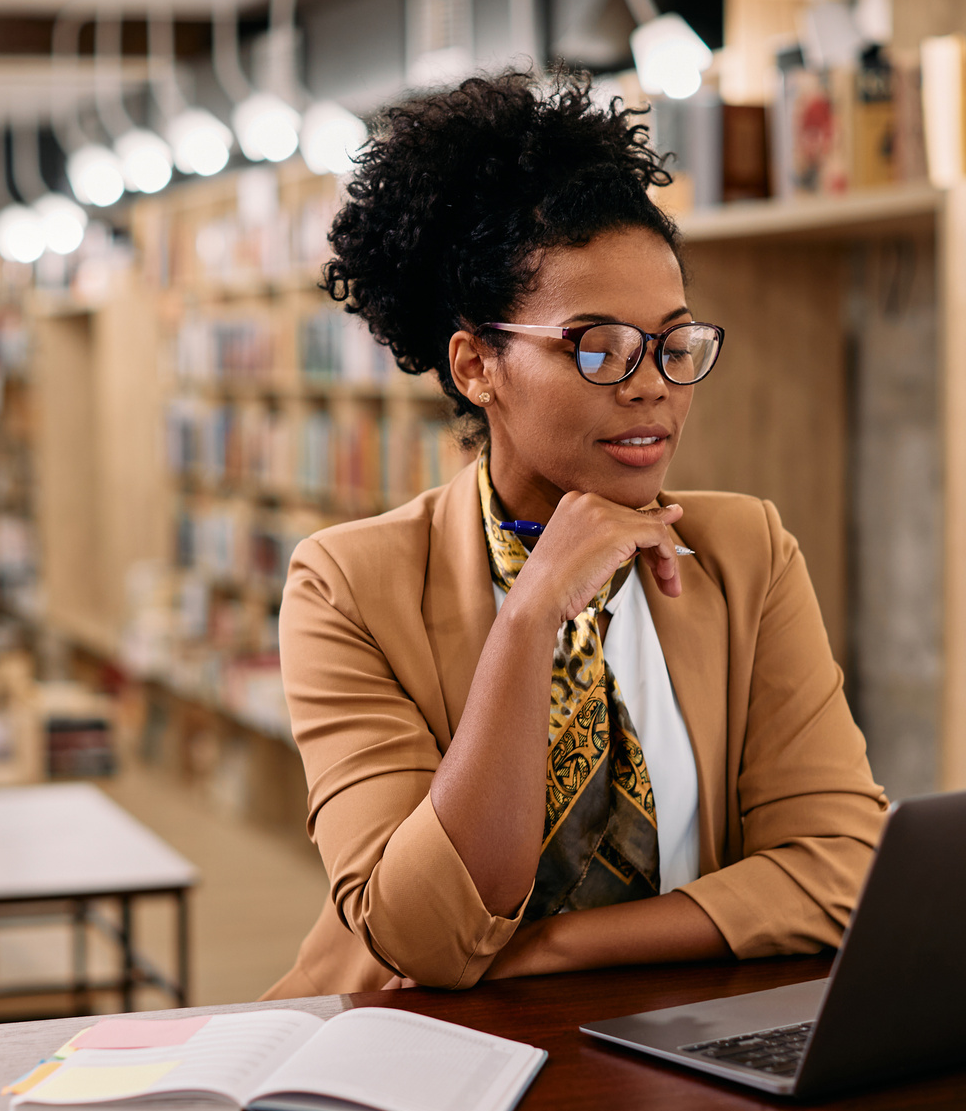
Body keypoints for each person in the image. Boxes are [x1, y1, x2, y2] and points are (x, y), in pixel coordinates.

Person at [262, 70, 887, 1000]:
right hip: (413, 1069)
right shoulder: (347, 586)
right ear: (478, 365)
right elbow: (424, 937)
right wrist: (530, 618)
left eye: (674, 344)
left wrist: (552, 951)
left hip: (667, 1062)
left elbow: (844, 869)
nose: (652, 387)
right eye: (597, 347)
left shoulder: (744, 554)